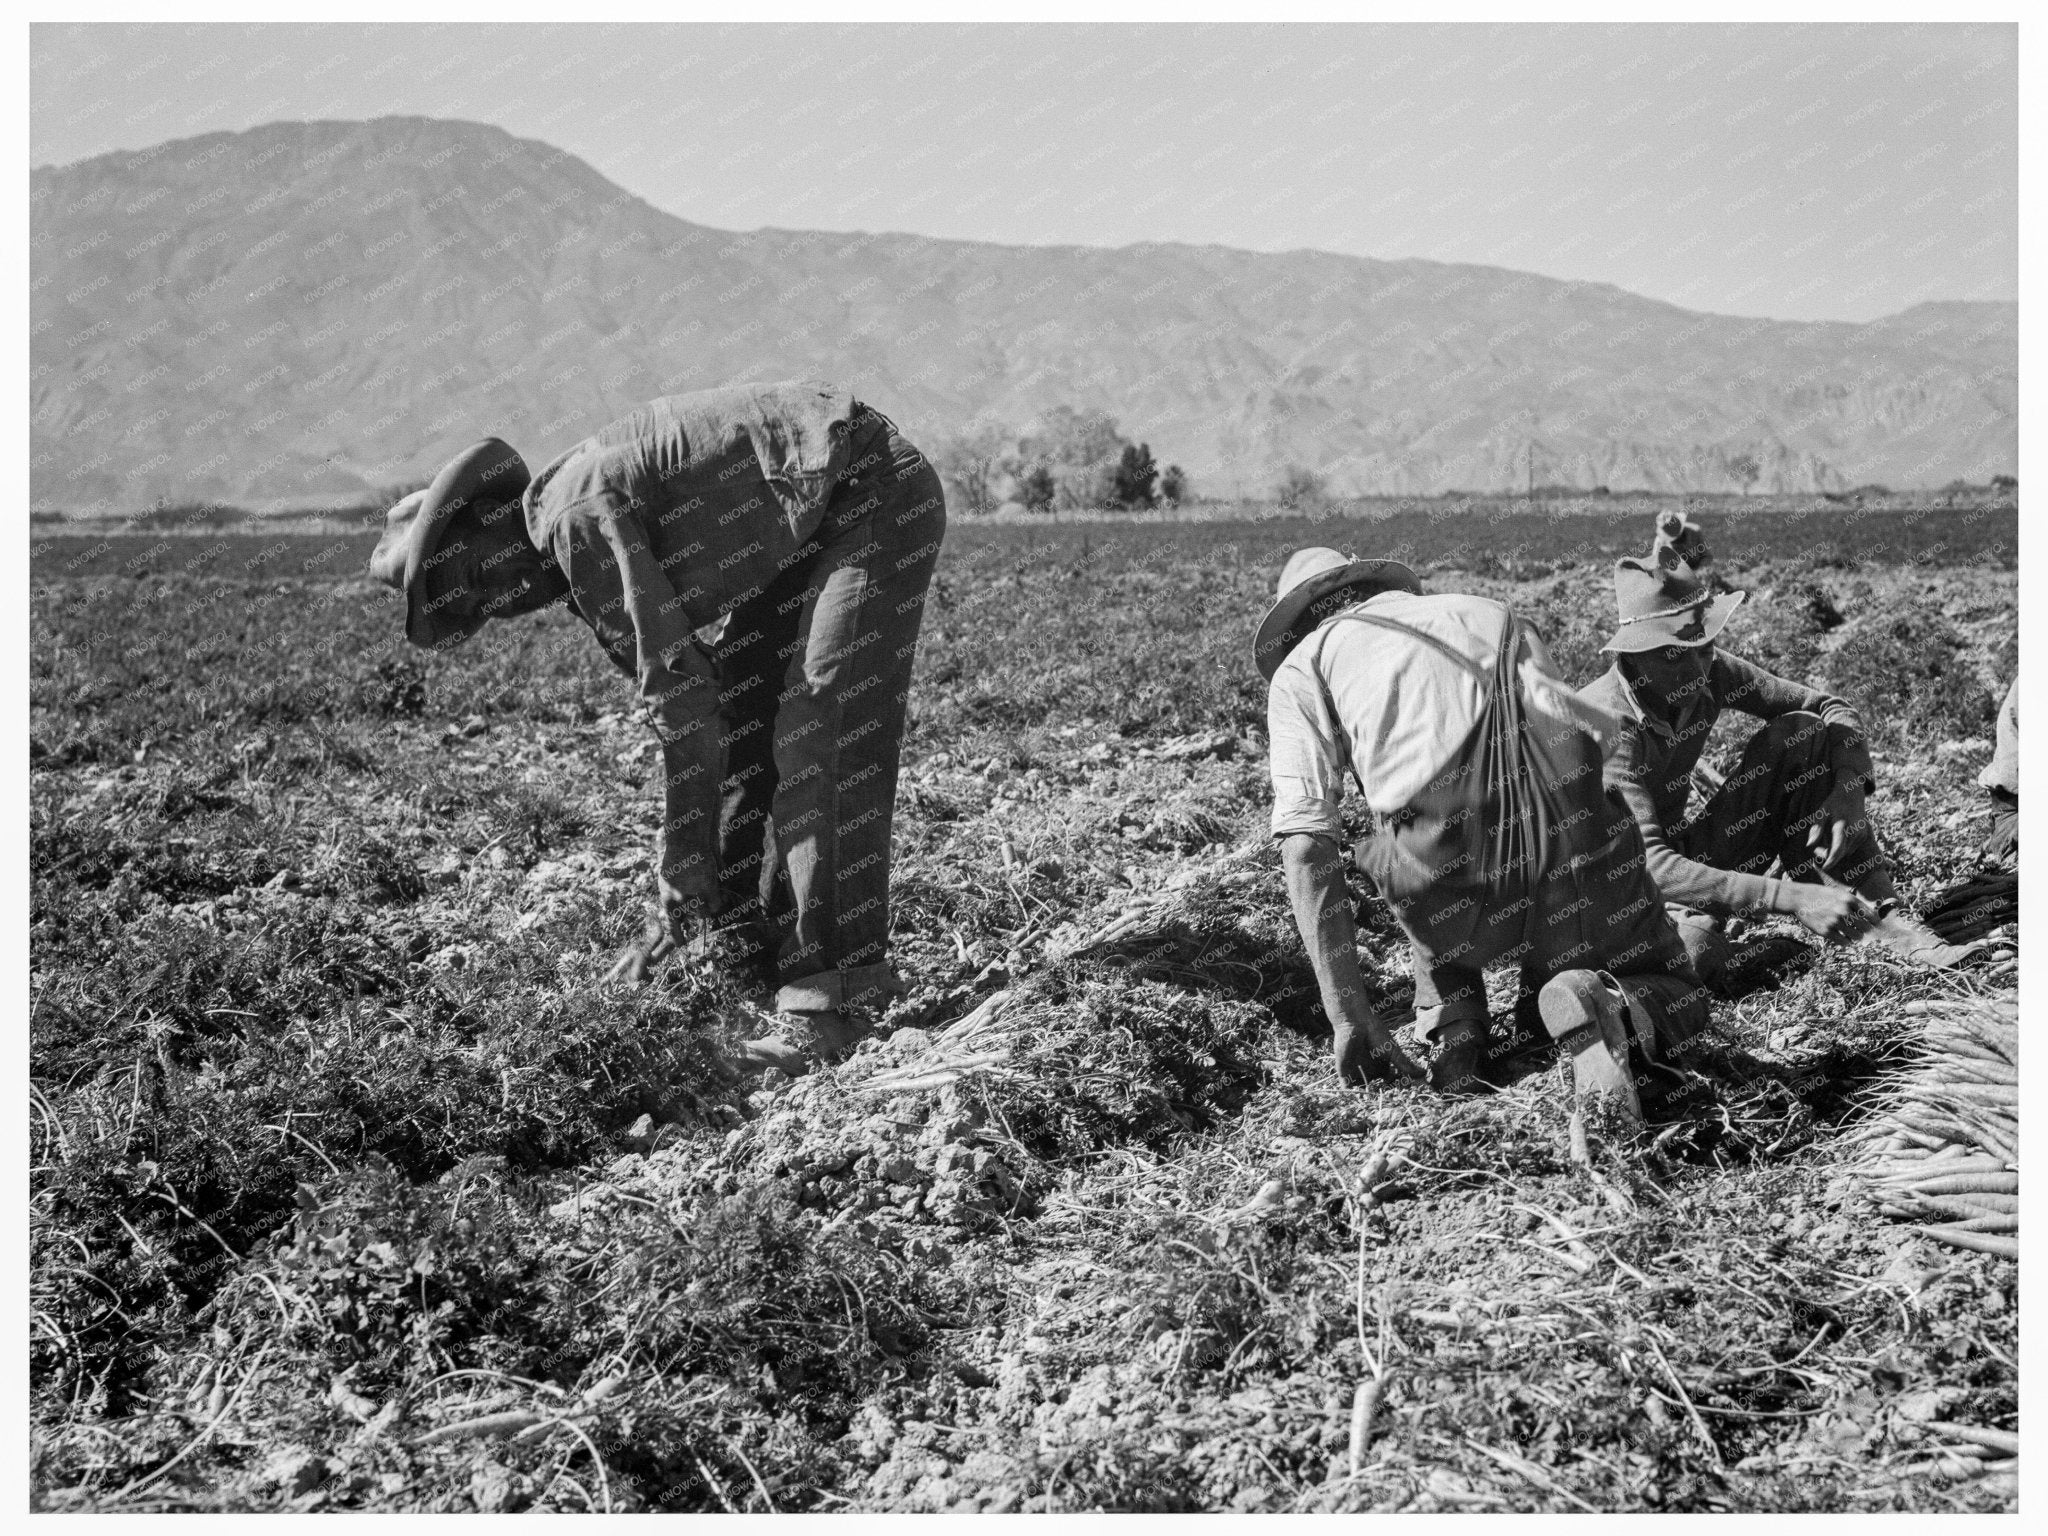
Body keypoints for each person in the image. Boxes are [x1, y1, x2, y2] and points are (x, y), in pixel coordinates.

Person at [370, 381, 947, 1070]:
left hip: (865, 488)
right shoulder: (571, 550)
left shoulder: (577, 518)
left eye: (474, 573)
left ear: (486, 519)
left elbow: (684, 714)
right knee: (751, 714)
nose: (497, 599)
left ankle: (837, 1001)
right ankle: (739, 944)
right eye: (476, 606)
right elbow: (704, 708)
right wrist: (686, 912)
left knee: (825, 728)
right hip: (808, 529)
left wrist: (682, 862)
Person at [1258, 547, 1710, 1117]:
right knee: (1677, 990)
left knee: (1400, 827)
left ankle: (1457, 1031)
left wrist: (1349, 1015)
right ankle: (1611, 1005)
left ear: (1297, 622)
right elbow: (1577, 740)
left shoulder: (1305, 667)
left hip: (1448, 886)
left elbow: (1305, 845)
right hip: (1572, 851)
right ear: (1373, 585)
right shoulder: (1491, 612)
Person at [1576, 542, 1977, 981]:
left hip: (1685, 855)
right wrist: (1787, 896)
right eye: (1674, 653)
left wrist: (1848, 790)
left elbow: (1829, 706)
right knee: (1693, 952)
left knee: (1800, 732)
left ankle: (1884, 924)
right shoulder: (1603, 726)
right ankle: (1746, 953)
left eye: (1704, 645)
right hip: (1616, 894)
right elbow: (1651, 866)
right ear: (1631, 656)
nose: (1695, 667)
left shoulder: (1709, 669)